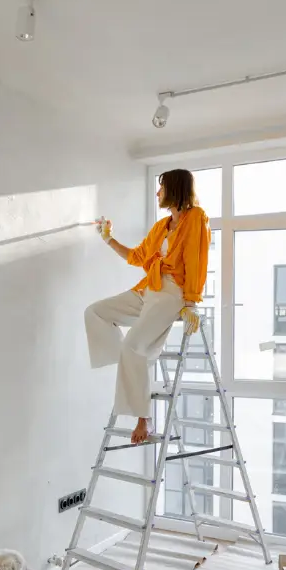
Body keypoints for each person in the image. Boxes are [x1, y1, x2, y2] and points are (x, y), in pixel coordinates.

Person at [85, 169, 210, 444]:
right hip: (149, 287)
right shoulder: (161, 227)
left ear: (175, 189)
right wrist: (108, 239)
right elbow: (136, 256)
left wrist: (191, 302)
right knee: (95, 312)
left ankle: (145, 418)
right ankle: (125, 361)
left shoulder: (196, 218)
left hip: (172, 293)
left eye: (161, 187)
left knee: (133, 346)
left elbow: (197, 261)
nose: (157, 193)